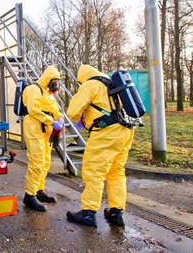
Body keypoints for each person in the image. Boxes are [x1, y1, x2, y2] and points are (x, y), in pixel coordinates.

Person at [65, 65, 135, 227]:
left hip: (106, 133)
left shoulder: (91, 84)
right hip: (124, 130)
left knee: (94, 171)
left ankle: (88, 213)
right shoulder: (111, 83)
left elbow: (73, 111)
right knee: (116, 172)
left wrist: (82, 116)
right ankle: (116, 212)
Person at [22, 65, 64, 211]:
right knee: (37, 161)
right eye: (54, 80)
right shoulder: (34, 89)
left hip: (46, 132)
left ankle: (39, 190)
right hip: (34, 129)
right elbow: (33, 109)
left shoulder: (48, 93)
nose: (56, 84)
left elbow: (55, 110)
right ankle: (29, 195)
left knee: (45, 161)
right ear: (48, 78)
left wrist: (60, 119)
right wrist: (50, 120)